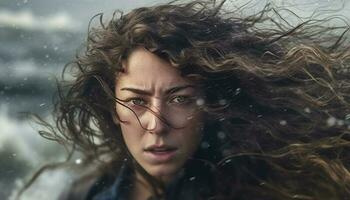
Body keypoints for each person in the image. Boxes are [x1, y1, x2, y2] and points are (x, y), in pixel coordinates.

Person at [19, 0, 350, 199]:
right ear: (110, 104)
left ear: (210, 105)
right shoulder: (82, 193)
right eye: (136, 102)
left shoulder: (268, 190)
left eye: (180, 99)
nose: (155, 125)